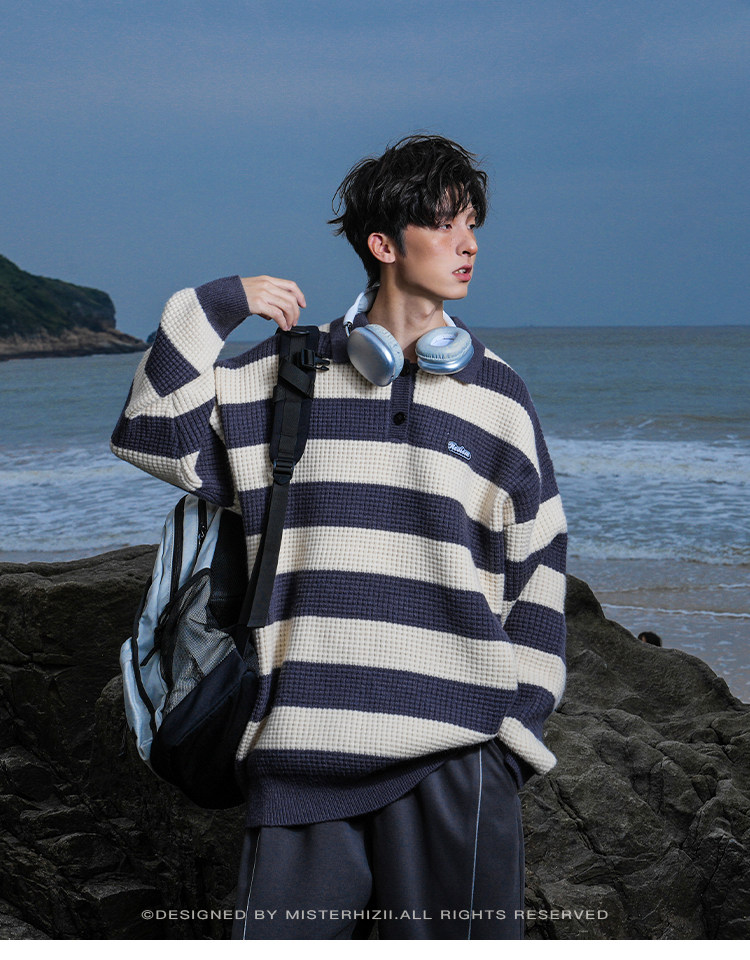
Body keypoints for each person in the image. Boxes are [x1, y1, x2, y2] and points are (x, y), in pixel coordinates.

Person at [111, 134, 567, 940]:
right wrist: (218, 302)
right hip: (297, 759)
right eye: (446, 224)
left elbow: (541, 571)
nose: (469, 244)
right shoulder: (284, 376)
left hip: (455, 763)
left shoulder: (500, 397)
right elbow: (152, 432)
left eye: (473, 225)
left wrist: (512, 737)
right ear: (384, 245)